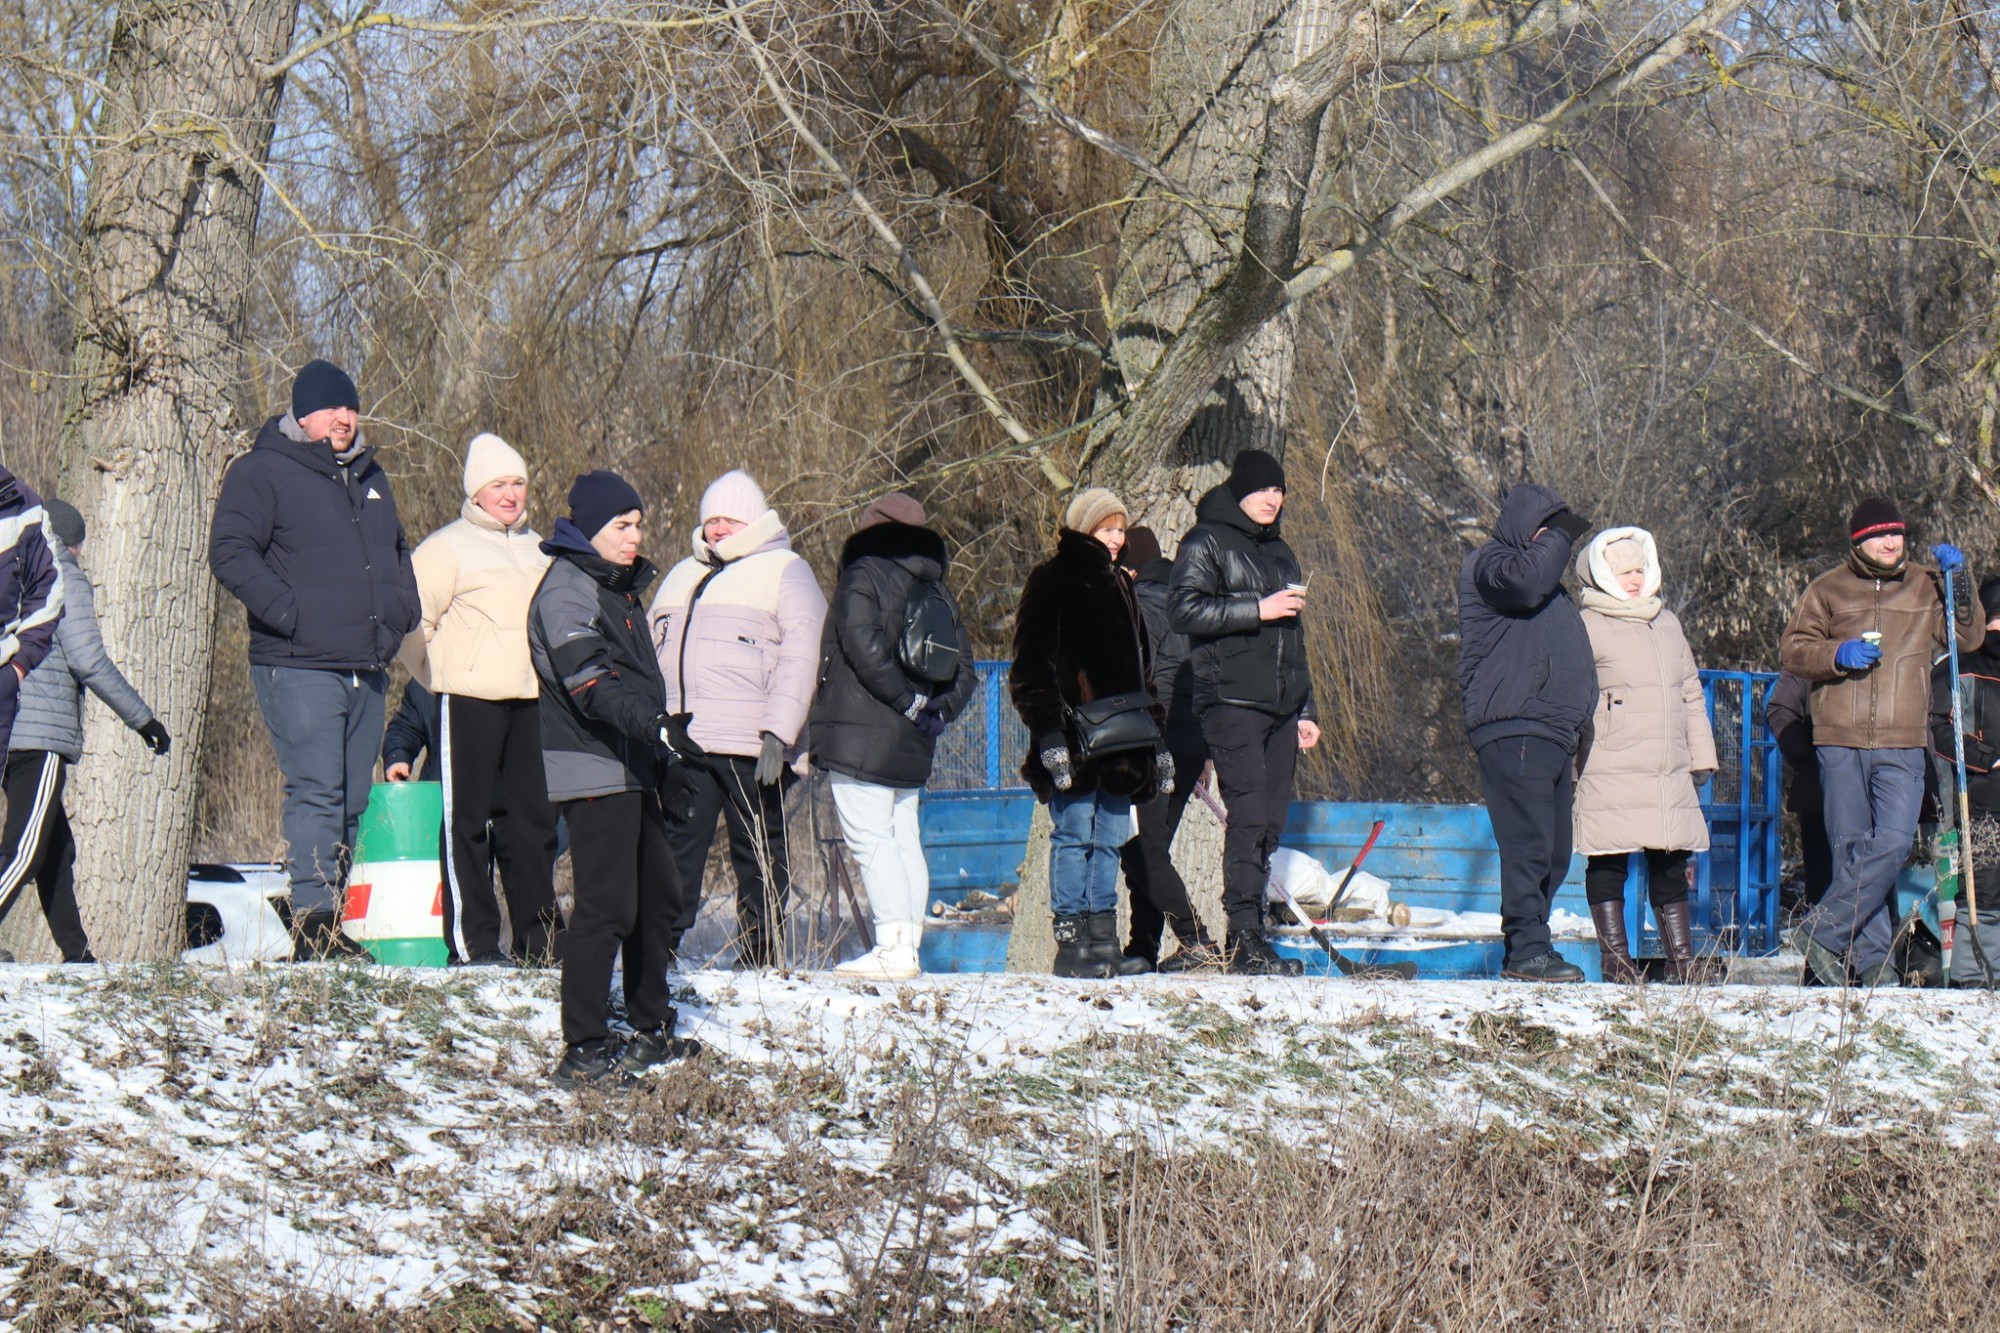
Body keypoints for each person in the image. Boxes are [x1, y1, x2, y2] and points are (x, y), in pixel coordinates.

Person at [209, 358, 420, 960]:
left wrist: (402, 610)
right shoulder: (263, 472)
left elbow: (399, 553)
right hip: (298, 663)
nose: (345, 418)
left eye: (351, 408)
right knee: (317, 793)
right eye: (332, 408)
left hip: (367, 663)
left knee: (354, 799)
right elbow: (228, 550)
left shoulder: (371, 477)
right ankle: (313, 926)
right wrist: (290, 611)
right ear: (304, 414)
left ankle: (336, 918)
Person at [530, 471, 699, 1085]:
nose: (636, 536)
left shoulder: (617, 589)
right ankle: (583, 1050)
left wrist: (665, 760)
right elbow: (592, 685)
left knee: (658, 899)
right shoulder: (567, 590)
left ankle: (650, 1031)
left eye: (638, 524)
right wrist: (657, 727)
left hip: (630, 767)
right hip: (590, 768)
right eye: (622, 526)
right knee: (606, 906)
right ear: (591, 530)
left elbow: (636, 687)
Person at [1782, 497, 1979, 986]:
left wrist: (1962, 583)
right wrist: (1836, 654)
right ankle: (1875, 965)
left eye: (1898, 534)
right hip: (1839, 739)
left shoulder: (1926, 585)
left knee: (1890, 842)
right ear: (1858, 541)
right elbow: (1794, 650)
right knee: (1852, 850)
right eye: (1880, 535)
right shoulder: (1826, 589)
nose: (1892, 543)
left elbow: (1967, 639)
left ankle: (1821, 930)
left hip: (1904, 739)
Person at [650, 470, 827, 969]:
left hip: (753, 745)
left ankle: (760, 951)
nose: (718, 529)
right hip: (686, 740)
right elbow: (652, 653)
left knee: (758, 848)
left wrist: (780, 732)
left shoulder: (784, 570)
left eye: (729, 520)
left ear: (751, 521)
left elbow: (802, 655)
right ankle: (661, 948)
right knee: (677, 848)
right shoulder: (681, 575)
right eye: (711, 521)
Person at [402, 433, 560, 967]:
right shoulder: (446, 548)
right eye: (499, 484)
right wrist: (438, 676)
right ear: (476, 491)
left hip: (532, 703)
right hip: (467, 700)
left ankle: (539, 943)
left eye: (518, 483)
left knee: (534, 825)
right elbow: (412, 622)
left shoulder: (542, 549)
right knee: (465, 822)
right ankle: (474, 944)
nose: (511, 494)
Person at [810, 493, 977, 980]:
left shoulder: (863, 574)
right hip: (913, 740)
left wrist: (905, 699)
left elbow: (861, 646)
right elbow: (965, 671)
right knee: (904, 837)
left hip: (863, 733)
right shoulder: (939, 591)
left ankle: (892, 947)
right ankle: (909, 945)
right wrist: (933, 710)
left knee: (870, 837)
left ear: (870, 530)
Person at [1168, 451, 1315, 977]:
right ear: (1240, 493)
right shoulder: (1205, 541)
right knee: (1249, 815)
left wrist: (1306, 708)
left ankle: (1253, 933)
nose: (1272, 500)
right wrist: (1257, 609)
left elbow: (1293, 639)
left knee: (1271, 821)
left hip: (1279, 707)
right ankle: (1244, 936)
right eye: (1262, 491)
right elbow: (1182, 608)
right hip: (1229, 701)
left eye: (1279, 492)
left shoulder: (1282, 552)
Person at [0, 499, 165, 962]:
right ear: (72, 544)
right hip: (38, 732)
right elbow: (88, 660)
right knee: (25, 850)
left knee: (53, 848)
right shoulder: (63, 575)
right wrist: (143, 719)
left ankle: (79, 956)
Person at [1012, 488, 1166, 978]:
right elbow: (1031, 668)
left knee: (1110, 839)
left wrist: (1156, 743)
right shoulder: (1052, 579)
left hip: (1123, 744)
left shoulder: (1122, 585)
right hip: (1074, 739)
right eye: (1107, 529)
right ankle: (1071, 943)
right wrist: (1049, 736)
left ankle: (1103, 941)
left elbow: (1145, 674)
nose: (1118, 538)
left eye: (1121, 528)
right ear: (1084, 529)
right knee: (1074, 834)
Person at [1458, 482, 1596, 983]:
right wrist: (1558, 536)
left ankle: (1532, 945)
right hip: (1515, 724)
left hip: (1554, 732)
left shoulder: (1552, 594)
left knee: (1556, 850)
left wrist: (1583, 727)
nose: (1555, 544)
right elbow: (1528, 582)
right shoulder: (1492, 565)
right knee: (1529, 843)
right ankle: (1525, 950)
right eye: (1547, 531)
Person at [1570, 528, 1718, 984]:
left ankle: (1683, 963)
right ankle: (1616, 963)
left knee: (1671, 861)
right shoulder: (1587, 625)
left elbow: (1689, 691)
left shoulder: (1666, 622)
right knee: (1608, 859)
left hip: (1665, 765)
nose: (1634, 580)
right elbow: (1573, 697)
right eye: (1623, 572)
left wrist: (1701, 755)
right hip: (1609, 761)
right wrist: (1571, 765)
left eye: (1639, 570)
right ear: (1602, 576)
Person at [1118, 525, 1219, 971]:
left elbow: (1140, 680)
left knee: (1144, 851)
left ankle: (1196, 940)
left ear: (1131, 569)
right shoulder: (1189, 608)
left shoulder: (1138, 607)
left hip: (1152, 741)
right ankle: (1143, 948)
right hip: (1191, 743)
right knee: (1148, 847)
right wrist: (1207, 750)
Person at [1930, 575, 2000, 988]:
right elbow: (1941, 727)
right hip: (1982, 795)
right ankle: (1974, 974)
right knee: (1985, 887)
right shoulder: (1959, 666)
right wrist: (1985, 761)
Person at [1764, 670, 1832, 914]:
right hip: (1820, 789)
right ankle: (1824, 946)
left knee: (1876, 880)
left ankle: (1876, 950)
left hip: (1876, 788)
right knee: (1823, 885)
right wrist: (1806, 761)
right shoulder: (1810, 653)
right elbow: (1780, 709)